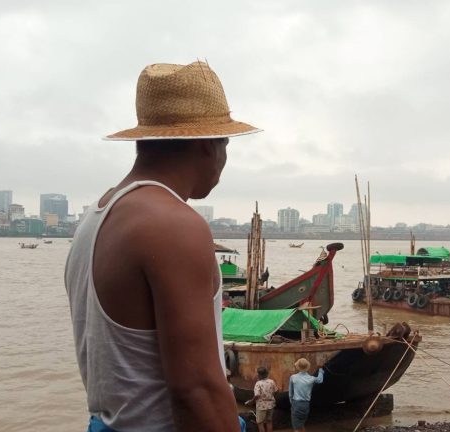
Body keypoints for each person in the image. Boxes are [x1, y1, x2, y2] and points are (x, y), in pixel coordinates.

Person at [64, 61, 260, 432]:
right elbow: (196, 389)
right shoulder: (172, 225)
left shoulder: (98, 215)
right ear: (209, 145)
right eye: (225, 144)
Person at [288, 358, 325, 432]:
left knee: (296, 428)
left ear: (298, 367)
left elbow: (290, 393)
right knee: (301, 424)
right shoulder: (311, 378)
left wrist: (292, 403)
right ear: (307, 367)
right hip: (306, 404)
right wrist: (320, 369)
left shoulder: (293, 377)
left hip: (296, 403)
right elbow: (320, 380)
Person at [245, 366, 277, 432]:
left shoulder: (258, 384)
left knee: (260, 423)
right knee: (269, 421)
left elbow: (257, 395)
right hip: (271, 405)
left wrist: (251, 401)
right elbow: (276, 391)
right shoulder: (271, 382)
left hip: (261, 406)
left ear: (258, 375)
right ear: (267, 374)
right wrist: (270, 396)